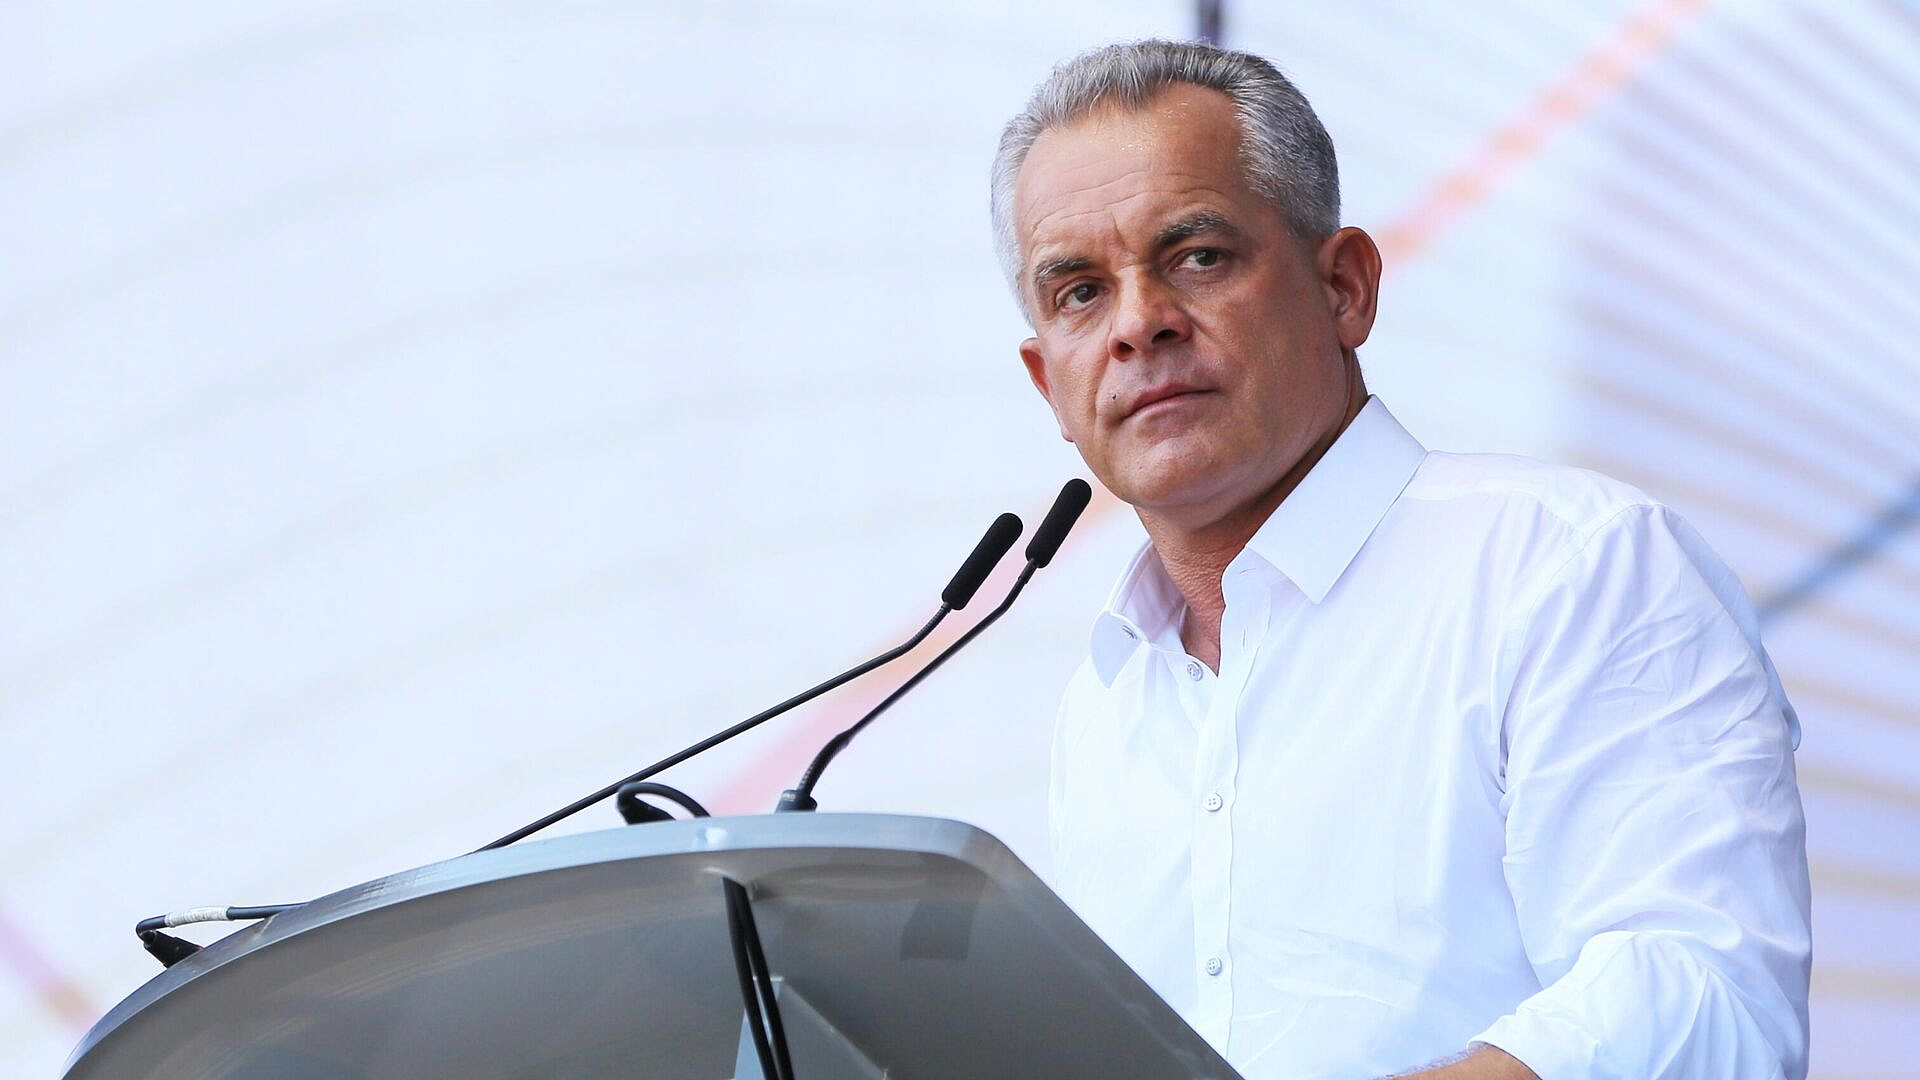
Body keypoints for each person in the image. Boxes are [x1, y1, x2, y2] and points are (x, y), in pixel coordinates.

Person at [993, 40, 1810, 1079]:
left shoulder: (1571, 569)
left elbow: (1710, 1004)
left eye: (1196, 256)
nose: (1138, 324)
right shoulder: (1106, 702)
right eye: (1078, 292)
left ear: (1345, 288)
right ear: (1048, 385)